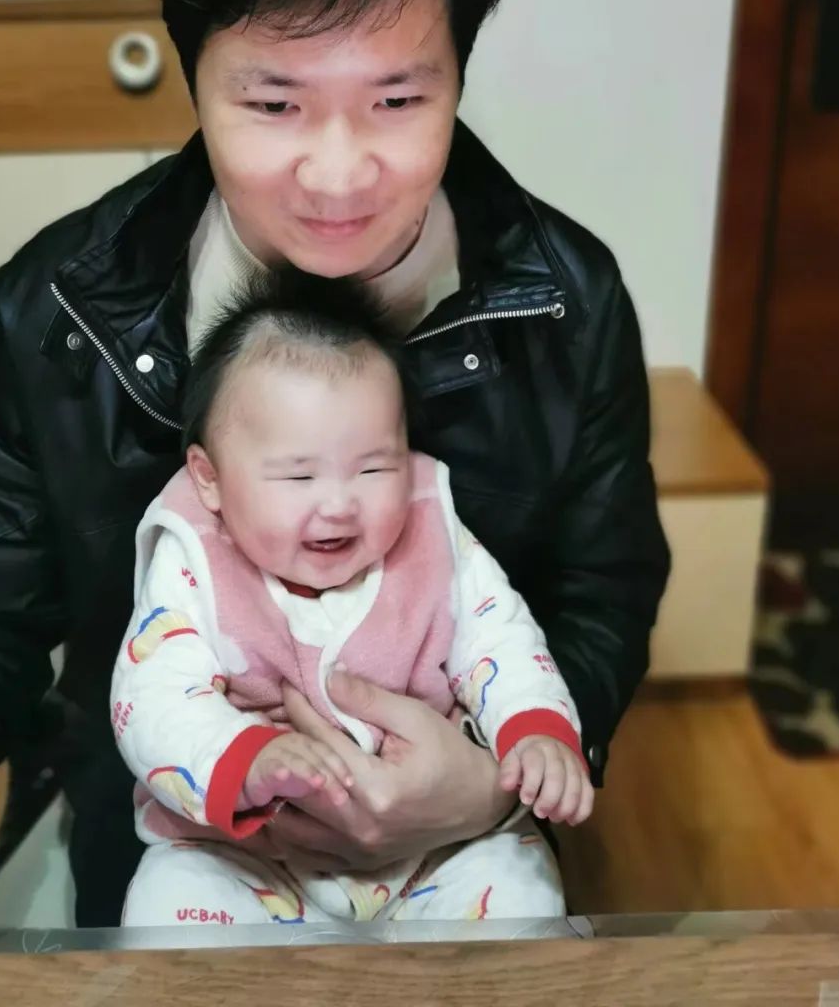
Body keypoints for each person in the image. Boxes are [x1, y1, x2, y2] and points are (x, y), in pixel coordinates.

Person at [0, 0, 668, 1007]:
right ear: (195, 76)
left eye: (398, 100)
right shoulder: (58, 311)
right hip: (172, 841)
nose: (338, 172)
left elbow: (600, 593)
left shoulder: (565, 302)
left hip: (465, 859)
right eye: (273, 103)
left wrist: (485, 784)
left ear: (457, 76)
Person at [115, 273, 594, 927]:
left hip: (436, 847)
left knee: (521, 888)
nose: (338, 504)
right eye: (298, 475)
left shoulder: (432, 534)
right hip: (250, 852)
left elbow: (500, 639)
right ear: (210, 478)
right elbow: (152, 696)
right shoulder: (196, 557)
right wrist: (246, 757)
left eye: (374, 468)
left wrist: (534, 730)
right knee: (167, 904)